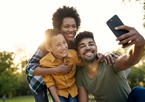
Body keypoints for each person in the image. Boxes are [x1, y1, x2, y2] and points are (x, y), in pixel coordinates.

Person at [25, 6, 119, 102]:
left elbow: (88, 54)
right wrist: (56, 69)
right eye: (66, 26)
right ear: (59, 28)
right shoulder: (47, 44)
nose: (71, 30)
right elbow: (29, 69)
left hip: (65, 83)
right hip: (39, 81)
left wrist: (105, 53)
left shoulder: (75, 43)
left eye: (74, 26)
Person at [75, 25, 145, 102]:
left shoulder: (109, 61)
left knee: (138, 92)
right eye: (82, 46)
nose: (88, 48)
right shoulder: (81, 74)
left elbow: (129, 59)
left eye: (91, 44)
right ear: (78, 53)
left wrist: (139, 45)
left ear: (96, 48)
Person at [40, 28, 85, 102]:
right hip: (59, 93)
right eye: (58, 45)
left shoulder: (73, 55)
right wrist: (57, 100)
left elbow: (86, 63)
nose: (64, 47)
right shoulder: (45, 62)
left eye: (64, 42)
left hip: (73, 91)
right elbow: (50, 84)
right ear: (49, 48)